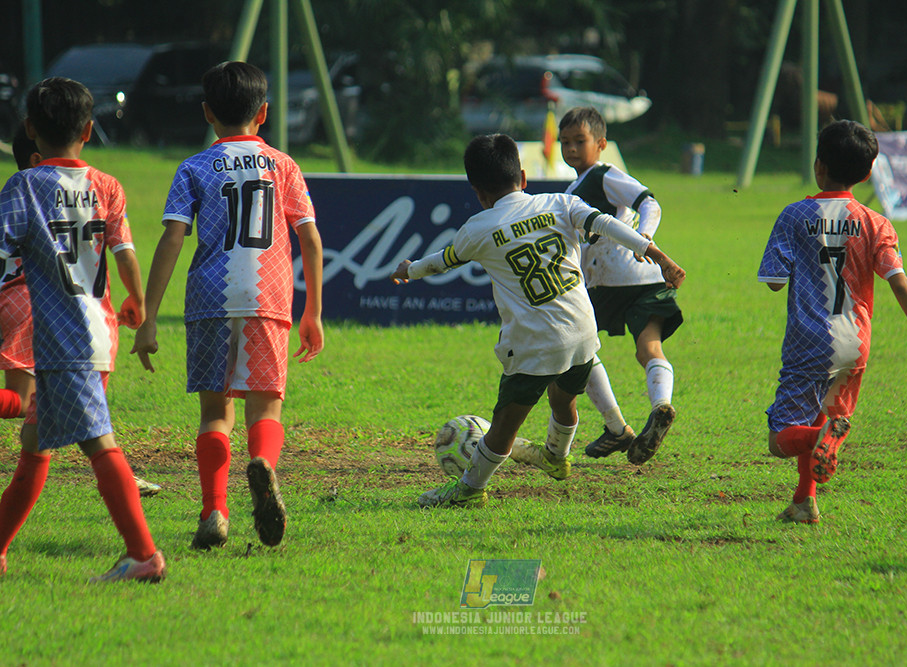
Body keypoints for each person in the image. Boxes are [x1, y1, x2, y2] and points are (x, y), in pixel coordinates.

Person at [390, 134, 685, 508]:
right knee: (564, 403)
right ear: (524, 177)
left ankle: (469, 489)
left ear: (479, 192)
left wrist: (408, 270)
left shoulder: (477, 229)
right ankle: (556, 457)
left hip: (532, 344)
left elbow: (441, 260)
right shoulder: (561, 203)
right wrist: (654, 252)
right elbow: (608, 224)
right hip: (582, 333)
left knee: (503, 427)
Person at [132, 61, 324, 549]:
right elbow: (310, 239)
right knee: (266, 408)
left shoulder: (194, 167)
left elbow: (172, 239)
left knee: (215, 413)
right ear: (263, 114)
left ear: (206, 113)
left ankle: (215, 511)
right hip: (268, 295)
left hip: (209, 297)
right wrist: (314, 311)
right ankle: (261, 464)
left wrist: (149, 315)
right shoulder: (282, 165)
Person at [0, 77, 164, 581]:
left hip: (64, 340)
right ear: (89, 130)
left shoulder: (24, 186)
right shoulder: (107, 185)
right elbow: (125, 252)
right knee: (34, 447)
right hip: (98, 331)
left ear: (29, 129)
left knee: (99, 444)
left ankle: (143, 554)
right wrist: (137, 302)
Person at [758, 119, 907, 524]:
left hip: (809, 341)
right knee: (822, 415)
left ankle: (820, 440)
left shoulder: (795, 215)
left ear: (818, 165)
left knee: (781, 438)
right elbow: (898, 281)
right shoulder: (875, 222)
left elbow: (774, 282)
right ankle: (804, 502)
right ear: (869, 170)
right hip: (855, 344)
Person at [556, 106, 684, 465]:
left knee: (577, 349)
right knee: (648, 350)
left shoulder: (604, 175)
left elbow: (649, 202)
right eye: (565, 142)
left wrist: (645, 236)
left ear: (601, 144)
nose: (571, 149)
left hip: (615, 281)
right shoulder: (574, 188)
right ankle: (661, 406)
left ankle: (617, 427)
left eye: (579, 141)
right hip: (638, 280)